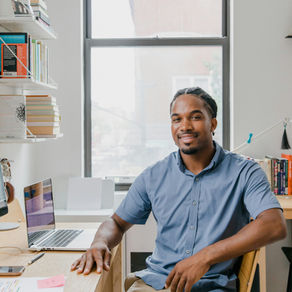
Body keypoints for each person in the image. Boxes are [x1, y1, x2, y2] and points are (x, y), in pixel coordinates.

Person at [71, 87, 287, 292]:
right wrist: (99, 242)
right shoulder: (153, 175)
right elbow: (116, 222)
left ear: (213, 124)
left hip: (212, 286)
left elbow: (274, 225)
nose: (185, 126)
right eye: (177, 119)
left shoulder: (244, 171)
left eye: (195, 117)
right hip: (157, 283)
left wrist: (204, 257)